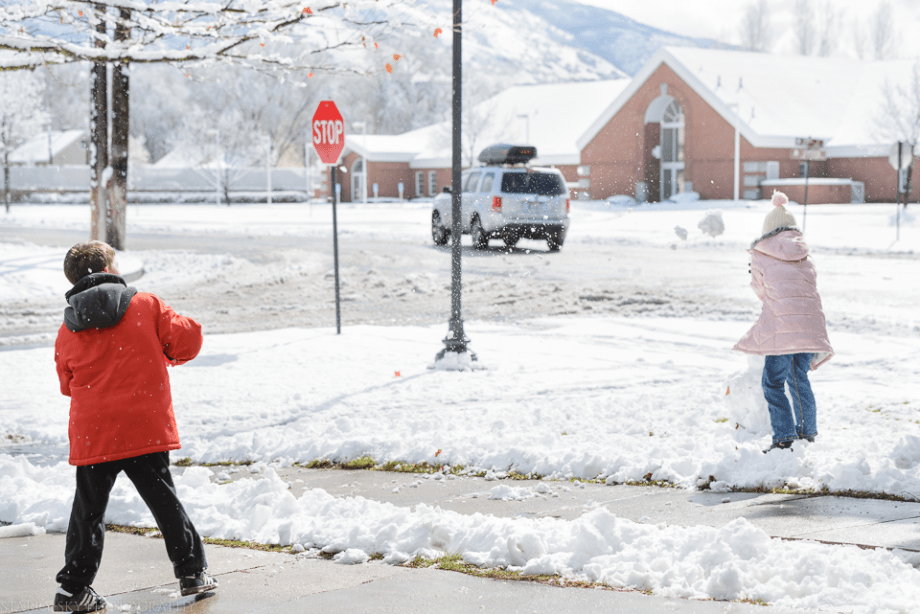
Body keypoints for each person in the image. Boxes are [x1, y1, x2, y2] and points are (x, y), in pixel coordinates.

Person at [53, 241, 217, 612]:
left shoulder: (68, 329)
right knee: (163, 501)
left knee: (88, 511)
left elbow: (67, 383)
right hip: (142, 425)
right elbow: (186, 341)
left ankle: (73, 590)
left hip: (93, 432)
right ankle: (191, 574)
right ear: (111, 268)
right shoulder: (146, 306)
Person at [733, 192, 833, 453]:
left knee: (773, 382)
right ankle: (807, 432)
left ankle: (784, 437)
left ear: (767, 229)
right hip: (810, 328)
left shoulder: (761, 254)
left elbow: (761, 291)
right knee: (799, 379)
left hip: (782, 329)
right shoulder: (805, 255)